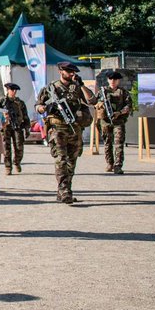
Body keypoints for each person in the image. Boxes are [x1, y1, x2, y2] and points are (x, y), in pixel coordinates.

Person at [35, 62, 93, 204]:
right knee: (61, 160)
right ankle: (65, 191)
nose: (72, 73)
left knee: (71, 162)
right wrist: (44, 108)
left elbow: (92, 100)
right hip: (57, 129)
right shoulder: (50, 88)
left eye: (73, 71)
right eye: (69, 71)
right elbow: (38, 106)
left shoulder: (77, 87)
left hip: (74, 129)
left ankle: (63, 190)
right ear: (61, 71)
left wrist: (82, 85)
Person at [91, 71, 132, 174]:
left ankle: (118, 165)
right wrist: (98, 105)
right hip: (105, 121)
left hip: (118, 121)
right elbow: (93, 102)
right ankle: (109, 163)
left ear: (118, 80)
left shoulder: (123, 92)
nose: (113, 81)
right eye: (111, 79)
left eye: (115, 79)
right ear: (108, 80)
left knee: (118, 143)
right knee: (107, 143)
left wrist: (120, 112)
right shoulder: (102, 92)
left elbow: (128, 106)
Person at [1, 83, 30, 175]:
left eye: (15, 90)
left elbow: (25, 115)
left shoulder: (20, 102)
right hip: (6, 127)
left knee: (19, 147)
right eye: (12, 90)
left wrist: (27, 128)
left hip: (17, 126)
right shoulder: (2, 102)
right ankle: (8, 166)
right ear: (7, 90)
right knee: (6, 147)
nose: (14, 92)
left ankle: (17, 162)